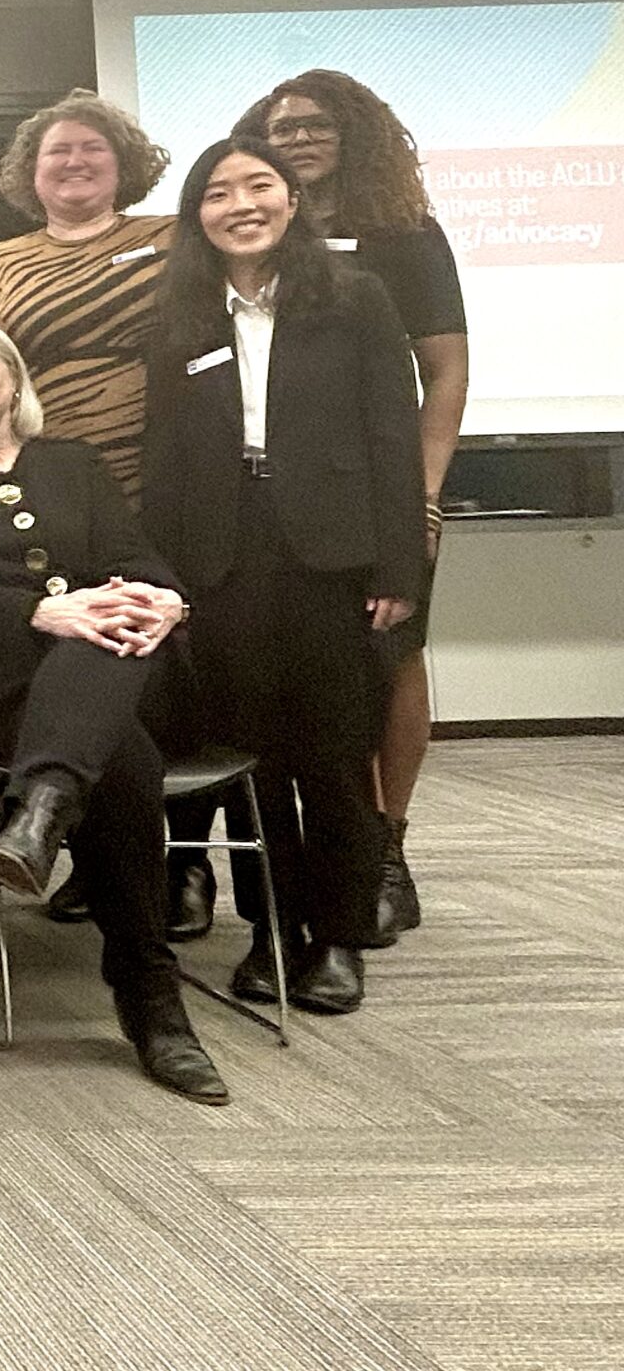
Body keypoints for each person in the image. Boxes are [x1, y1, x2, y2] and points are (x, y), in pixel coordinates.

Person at [0, 313, 225, 1103]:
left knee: (100, 645)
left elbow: (134, 556)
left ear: (13, 377)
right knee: (126, 764)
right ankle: (148, 996)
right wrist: (43, 613)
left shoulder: (73, 462)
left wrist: (165, 601)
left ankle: (40, 811)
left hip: (111, 667)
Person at [142, 139, 424, 1017]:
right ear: (198, 217)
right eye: (218, 193)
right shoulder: (182, 311)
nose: (241, 204)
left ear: (293, 201)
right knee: (250, 764)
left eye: (258, 186)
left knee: (334, 755)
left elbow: (392, 435)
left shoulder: (353, 297)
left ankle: (338, 939)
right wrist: (169, 579)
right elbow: (167, 458)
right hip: (224, 557)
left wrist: (399, 566)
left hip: (334, 555)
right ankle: (270, 935)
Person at [239, 70, 467, 942]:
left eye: (315, 123)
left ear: (356, 131)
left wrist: (424, 494)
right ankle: (334, 854)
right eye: (280, 126)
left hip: (387, 492)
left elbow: (444, 371)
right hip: (276, 502)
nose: (297, 137)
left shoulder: (403, 236)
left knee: (393, 660)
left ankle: (386, 848)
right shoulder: (258, 235)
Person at [0, 92, 176, 505]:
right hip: (51, 467)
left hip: (166, 459)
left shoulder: (173, 237)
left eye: (93, 148)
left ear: (123, 164)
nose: (75, 161)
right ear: (32, 171)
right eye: (59, 150)